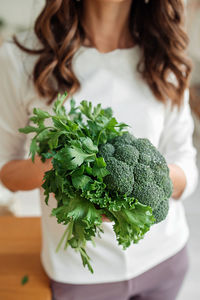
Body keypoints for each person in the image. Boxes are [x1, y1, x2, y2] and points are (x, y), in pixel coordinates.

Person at [0, 0, 198, 299]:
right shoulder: (22, 58)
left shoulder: (166, 56)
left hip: (166, 259)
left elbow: (185, 159)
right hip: (79, 275)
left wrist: (150, 180)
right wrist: (59, 163)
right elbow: (5, 168)